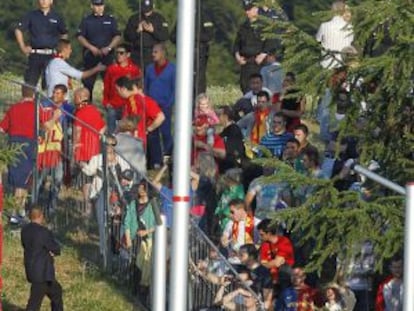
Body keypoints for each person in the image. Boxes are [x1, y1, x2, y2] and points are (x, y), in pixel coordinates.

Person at [0, 86, 37, 223]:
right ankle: (18, 212)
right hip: (30, 144)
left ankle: (18, 211)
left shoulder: (14, 108)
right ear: (33, 95)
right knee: (25, 180)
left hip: (15, 143)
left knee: (18, 181)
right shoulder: (36, 109)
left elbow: (2, 128)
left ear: (22, 93)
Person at [15, 0, 68, 88]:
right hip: (35, 54)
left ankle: (46, 102)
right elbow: (18, 30)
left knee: (50, 84)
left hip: (51, 55)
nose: (43, 1)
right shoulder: (31, 15)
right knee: (29, 84)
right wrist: (23, 47)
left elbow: (64, 33)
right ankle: (29, 101)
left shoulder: (57, 17)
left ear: (51, 1)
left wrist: (61, 49)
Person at [21, 207, 63, 311]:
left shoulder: (25, 230)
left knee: (56, 292)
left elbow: (29, 246)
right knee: (34, 303)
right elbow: (55, 248)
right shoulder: (43, 232)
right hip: (42, 273)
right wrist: (51, 251)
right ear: (41, 216)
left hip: (32, 270)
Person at [76, 0, 122, 96]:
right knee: (88, 85)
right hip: (90, 56)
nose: (99, 7)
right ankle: (87, 108)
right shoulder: (86, 20)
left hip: (107, 56)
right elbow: (80, 36)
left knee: (110, 84)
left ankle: (110, 108)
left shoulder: (111, 19)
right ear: (92, 6)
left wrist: (109, 47)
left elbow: (117, 36)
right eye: (96, 5)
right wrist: (91, 47)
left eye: (101, 5)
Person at [170, 3, 214, 95]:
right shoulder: (182, 17)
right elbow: (172, 36)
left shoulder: (204, 16)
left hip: (198, 54)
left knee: (198, 80)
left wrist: (192, 36)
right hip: (183, 55)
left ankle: (199, 102)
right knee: (183, 78)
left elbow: (209, 36)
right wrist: (182, 37)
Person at [144, 43, 175, 168]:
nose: (153, 54)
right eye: (153, 52)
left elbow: (175, 88)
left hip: (165, 105)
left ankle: (168, 156)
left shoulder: (172, 69)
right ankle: (155, 160)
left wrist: (169, 103)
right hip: (151, 106)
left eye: (155, 52)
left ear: (162, 53)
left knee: (166, 132)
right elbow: (146, 86)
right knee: (152, 133)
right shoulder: (150, 68)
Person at [234, 1, 276, 93]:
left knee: (259, 89)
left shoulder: (264, 25)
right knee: (245, 86)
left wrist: (263, 54)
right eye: (246, 10)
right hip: (246, 62)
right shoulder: (243, 26)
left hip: (259, 63)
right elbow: (237, 44)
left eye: (249, 9)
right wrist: (237, 56)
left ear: (256, 9)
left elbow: (270, 42)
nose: (247, 12)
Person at [115, 77, 165, 148]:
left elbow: (161, 117)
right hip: (136, 139)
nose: (117, 93)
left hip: (135, 139)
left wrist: (148, 130)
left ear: (123, 89)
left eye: (117, 90)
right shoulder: (129, 101)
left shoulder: (137, 100)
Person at [102, 43, 142, 134]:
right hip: (113, 105)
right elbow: (106, 86)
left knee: (128, 130)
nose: (118, 55)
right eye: (117, 53)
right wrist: (106, 102)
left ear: (128, 54)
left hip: (127, 105)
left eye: (121, 53)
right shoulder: (111, 69)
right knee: (112, 131)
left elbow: (138, 87)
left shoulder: (134, 69)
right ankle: (111, 146)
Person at [124, 0, 169, 69]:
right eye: (144, 8)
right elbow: (126, 37)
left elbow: (165, 36)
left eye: (148, 9)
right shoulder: (134, 18)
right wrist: (137, 31)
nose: (146, 12)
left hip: (153, 54)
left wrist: (153, 31)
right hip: (137, 54)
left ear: (153, 7)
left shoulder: (159, 18)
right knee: (136, 78)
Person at [316, 1, 354, 69]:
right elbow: (351, 43)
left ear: (332, 11)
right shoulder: (350, 27)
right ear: (343, 11)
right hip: (343, 64)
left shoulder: (324, 26)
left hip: (326, 64)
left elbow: (317, 41)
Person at [217, 105, 245, 173]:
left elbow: (231, 152)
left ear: (225, 116)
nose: (217, 117)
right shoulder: (223, 132)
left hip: (232, 169)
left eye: (219, 115)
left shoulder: (234, 130)